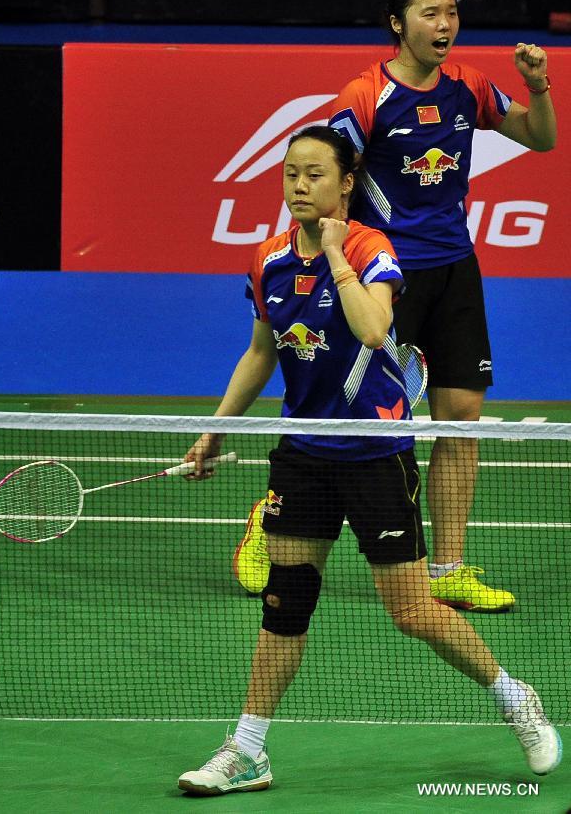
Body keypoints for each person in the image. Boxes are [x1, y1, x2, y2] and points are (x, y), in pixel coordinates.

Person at [177, 126, 561, 796]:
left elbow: (374, 328)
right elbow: (262, 351)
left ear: (347, 182)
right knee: (284, 605)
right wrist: (215, 430)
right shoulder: (266, 259)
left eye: (315, 174)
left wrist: (336, 257)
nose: (300, 185)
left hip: (374, 454)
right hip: (303, 454)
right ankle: (248, 750)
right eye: (291, 173)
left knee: (411, 612)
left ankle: (513, 696)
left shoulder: (369, 248)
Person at [327, 0, 557, 613]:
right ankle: (275, 514)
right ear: (398, 24)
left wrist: (538, 89)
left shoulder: (469, 87)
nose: (445, 24)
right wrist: (334, 257)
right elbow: (328, 176)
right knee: (358, 424)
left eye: (451, 12)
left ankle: (448, 567)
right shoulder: (364, 96)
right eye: (430, 13)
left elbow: (541, 139)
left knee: (461, 418)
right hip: (387, 274)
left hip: (456, 268)